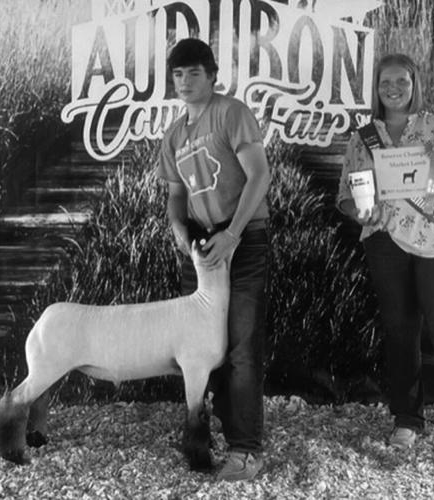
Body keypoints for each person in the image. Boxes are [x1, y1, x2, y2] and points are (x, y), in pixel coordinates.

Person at [337, 53, 434, 465]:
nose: (393, 89)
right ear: (375, 88)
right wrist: (359, 211)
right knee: (400, 332)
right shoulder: (363, 137)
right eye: (385, 82)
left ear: (415, 83)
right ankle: (407, 418)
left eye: (401, 82)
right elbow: (345, 197)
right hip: (386, 242)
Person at [158, 38, 271, 480]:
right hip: (203, 247)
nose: (185, 83)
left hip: (242, 237)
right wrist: (178, 229)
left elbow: (260, 174)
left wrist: (234, 233)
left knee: (242, 346)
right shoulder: (174, 134)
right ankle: (219, 433)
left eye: (194, 74)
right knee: (207, 349)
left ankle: (247, 449)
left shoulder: (231, 112)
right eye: (178, 75)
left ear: (212, 75)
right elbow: (174, 194)